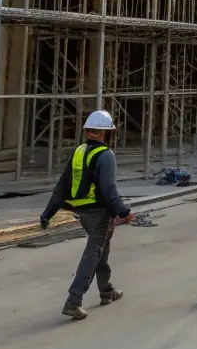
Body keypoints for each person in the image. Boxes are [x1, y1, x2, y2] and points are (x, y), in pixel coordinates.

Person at [41, 109, 132, 321]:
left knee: (101, 249)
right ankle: (73, 301)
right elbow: (109, 189)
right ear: (105, 133)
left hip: (81, 211)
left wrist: (48, 213)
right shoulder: (105, 155)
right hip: (99, 212)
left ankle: (106, 290)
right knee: (93, 254)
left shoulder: (79, 151)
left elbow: (62, 185)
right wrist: (124, 212)